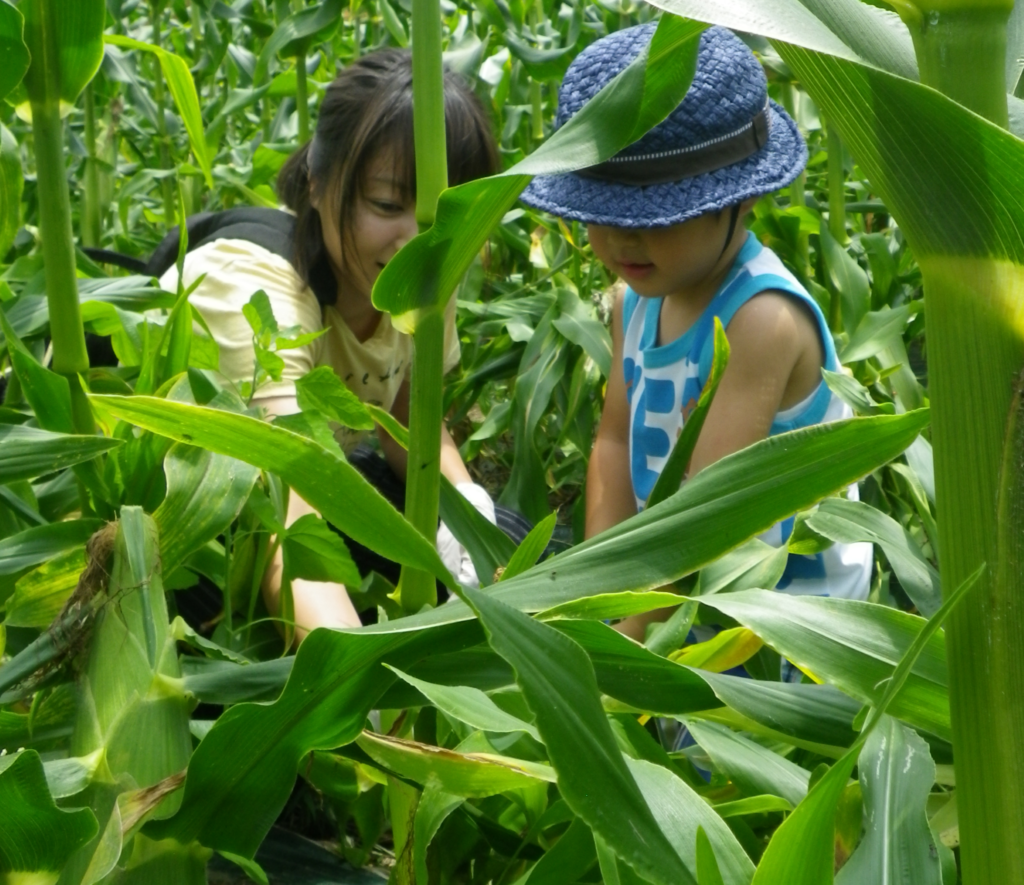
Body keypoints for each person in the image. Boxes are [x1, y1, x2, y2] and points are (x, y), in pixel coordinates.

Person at [520, 24, 872, 642]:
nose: (624, 239)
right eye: (605, 214)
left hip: (781, 638)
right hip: (670, 602)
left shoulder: (760, 322)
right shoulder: (634, 301)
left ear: (744, 199)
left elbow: (704, 520)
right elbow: (612, 446)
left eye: (658, 215)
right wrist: (600, 595)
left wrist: (622, 649)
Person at [159, 49, 504, 640]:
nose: (414, 243)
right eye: (387, 205)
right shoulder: (260, 290)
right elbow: (285, 509)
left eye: (444, 218)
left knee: (507, 544)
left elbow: (407, 415)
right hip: (191, 507)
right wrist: (345, 676)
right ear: (319, 183)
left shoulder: (424, 272)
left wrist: (465, 507)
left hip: (311, 477)